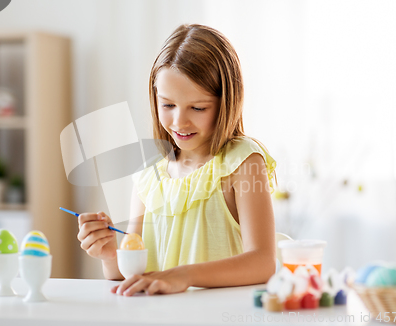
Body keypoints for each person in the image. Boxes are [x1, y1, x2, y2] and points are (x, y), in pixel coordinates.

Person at [77, 24, 278, 296]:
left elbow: (263, 262)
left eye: (197, 108)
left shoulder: (242, 162)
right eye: (168, 105)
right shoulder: (149, 172)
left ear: (226, 102)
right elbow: (125, 270)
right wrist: (108, 252)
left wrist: (183, 275)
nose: (179, 121)